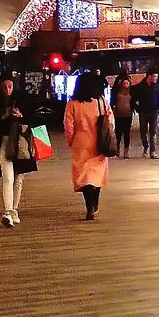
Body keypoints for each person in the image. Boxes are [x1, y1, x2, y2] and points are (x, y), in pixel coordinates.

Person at [64, 71, 115, 220]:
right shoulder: (101, 101)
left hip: (80, 143)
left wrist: (70, 141)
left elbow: (69, 126)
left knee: (84, 177)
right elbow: (110, 120)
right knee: (96, 176)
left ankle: (89, 206)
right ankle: (95, 204)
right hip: (99, 142)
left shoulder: (72, 104)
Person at [0, 73, 32, 228]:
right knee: (8, 178)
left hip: (21, 142)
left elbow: (34, 119)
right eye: (4, 87)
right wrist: (3, 116)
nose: (7, 90)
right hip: (4, 141)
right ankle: (8, 211)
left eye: (10, 86)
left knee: (18, 179)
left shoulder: (22, 99)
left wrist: (21, 115)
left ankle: (13, 210)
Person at [135, 70, 159, 158]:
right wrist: (138, 108)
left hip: (154, 112)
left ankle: (153, 151)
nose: (155, 78)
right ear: (149, 76)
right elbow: (135, 99)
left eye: (156, 76)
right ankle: (146, 147)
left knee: (153, 133)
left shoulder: (157, 87)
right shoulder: (141, 87)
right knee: (143, 132)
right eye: (154, 76)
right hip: (143, 112)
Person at [111, 74, 133, 158]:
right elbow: (112, 101)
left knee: (127, 133)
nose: (126, 85)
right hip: (118, 115)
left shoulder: (131, 91)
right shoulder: (117, 91)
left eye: (127, 83)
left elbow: (133, 101)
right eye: (124, 83)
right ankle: (117, 150)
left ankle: (126, 151)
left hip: (128, 115)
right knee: (118, 133)